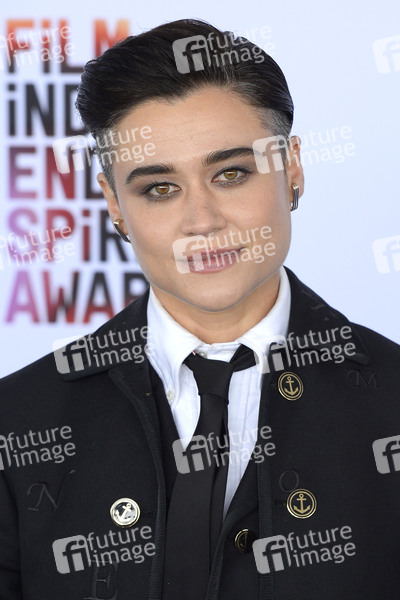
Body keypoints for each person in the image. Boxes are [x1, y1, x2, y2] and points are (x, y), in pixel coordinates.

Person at [0, 18, 399, 600]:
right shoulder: (17, 422)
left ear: (291, 169)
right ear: (114, 203)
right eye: (159, 188)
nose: (202, 222)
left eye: (231, 174)